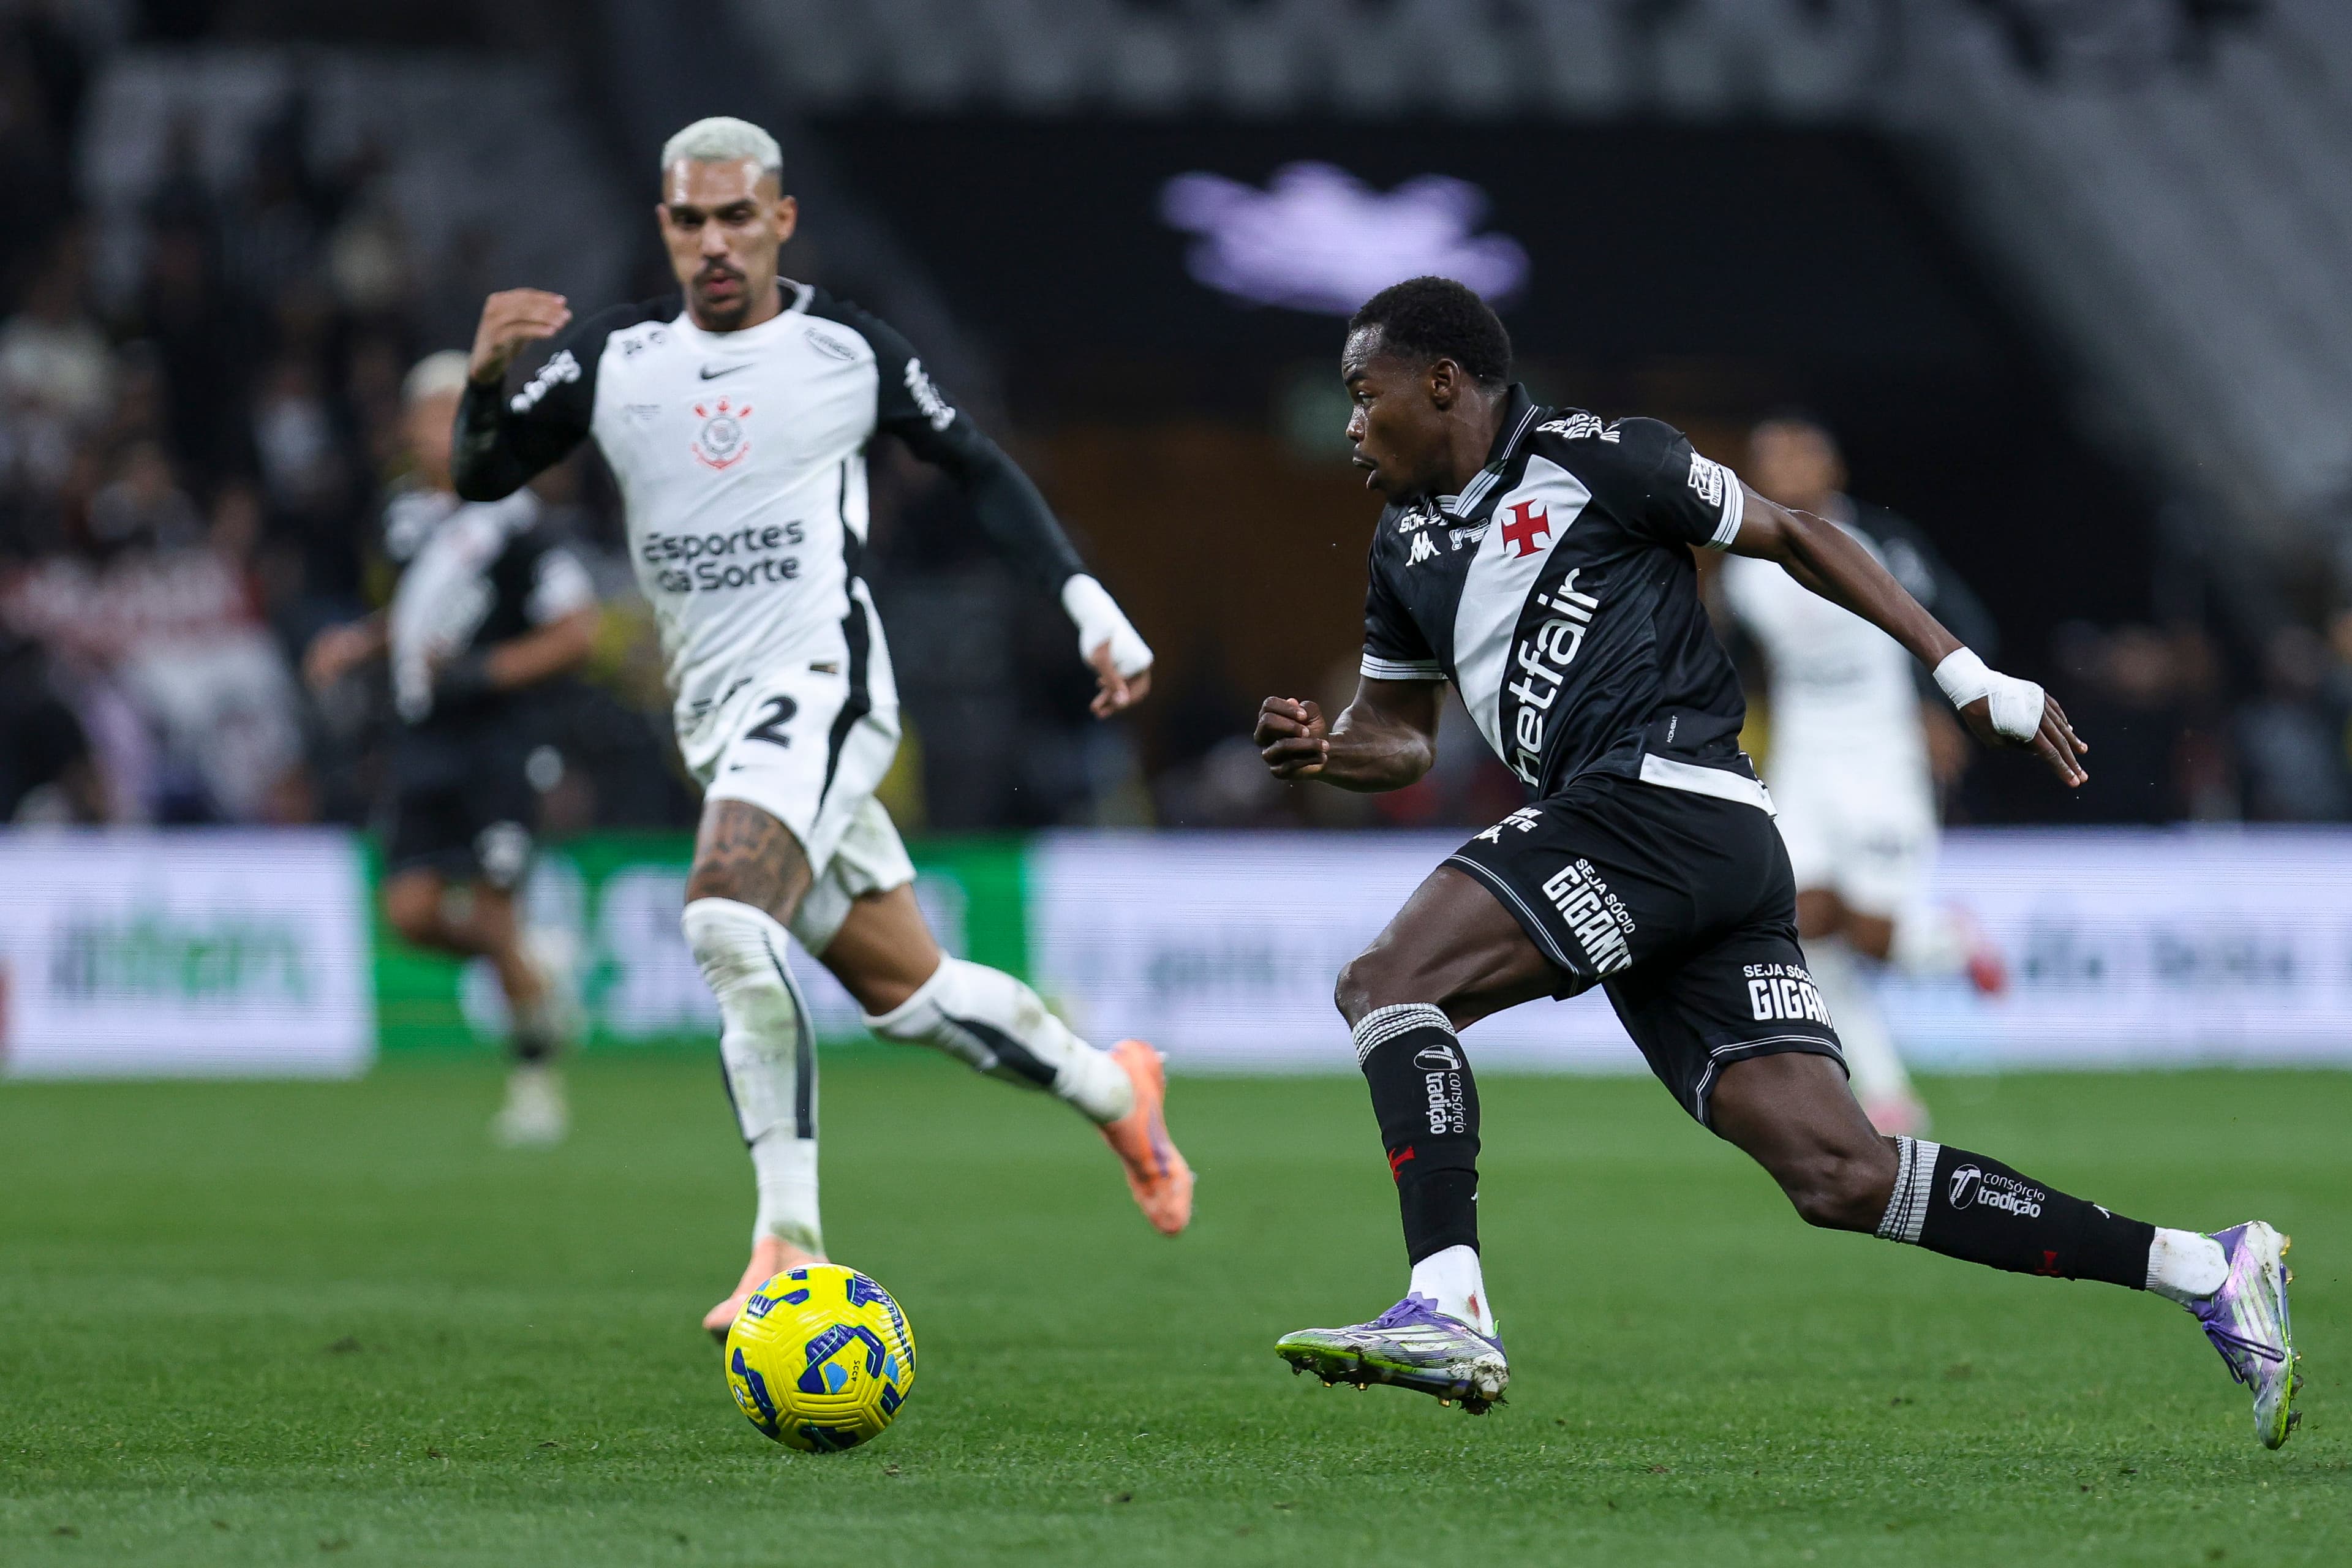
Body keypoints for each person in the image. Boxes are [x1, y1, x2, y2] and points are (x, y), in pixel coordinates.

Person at [1252, 277, 2299, 1449]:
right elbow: (1401, 736)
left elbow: (1797, 535)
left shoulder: (1604, 458)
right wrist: (1331, 751)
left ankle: (1447, 1303)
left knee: (1387, 984)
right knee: (1840, 1173)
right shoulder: (1407, 547)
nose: (1349, 423)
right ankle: (2205, 1270)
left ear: (1441, 382)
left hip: (1661, 805)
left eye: (1362, 392)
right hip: (1691, 850)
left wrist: (1964, 676)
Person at [448, 117, 1191, 1338]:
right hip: (716, 717)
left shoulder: (847, 347)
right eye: (691, 220)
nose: (715, 242)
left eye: (739, 216)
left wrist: (1087, 605)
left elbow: (981, 471)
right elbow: (480, 472)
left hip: (825, 684)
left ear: (783, 218)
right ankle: (1120, 1088)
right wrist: (484, 382)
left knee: (727, 919)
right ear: (665, 229)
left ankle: (786, 1245)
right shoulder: (615, 356)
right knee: (911, 993)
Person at [306, 352, 599, 1145]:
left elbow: (578, 630)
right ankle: (533, 969)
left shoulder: (520, 518)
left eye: (455, 415)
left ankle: (536, 1082)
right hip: (421, 740)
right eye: (429, 417)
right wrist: (359, 645)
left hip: (498, 741)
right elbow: (413, 617)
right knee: (410, 915)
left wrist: (485, 672)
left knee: (497, 908)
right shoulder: (401, 519)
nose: (441, 432)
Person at [1717, 415, 2007, 1135]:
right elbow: (1731, 668)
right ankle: (1886, 1092)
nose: (1785, 469)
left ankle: (1954, 940)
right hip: (1806, 758)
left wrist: (1939, 708)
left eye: (1799, 454)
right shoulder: (1744, 570)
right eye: (1770, 458)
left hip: (1883, 752)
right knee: (1803, 925)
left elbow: (1958, 619)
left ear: (1833, 469)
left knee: (1876, 937)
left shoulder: (1884, 543)